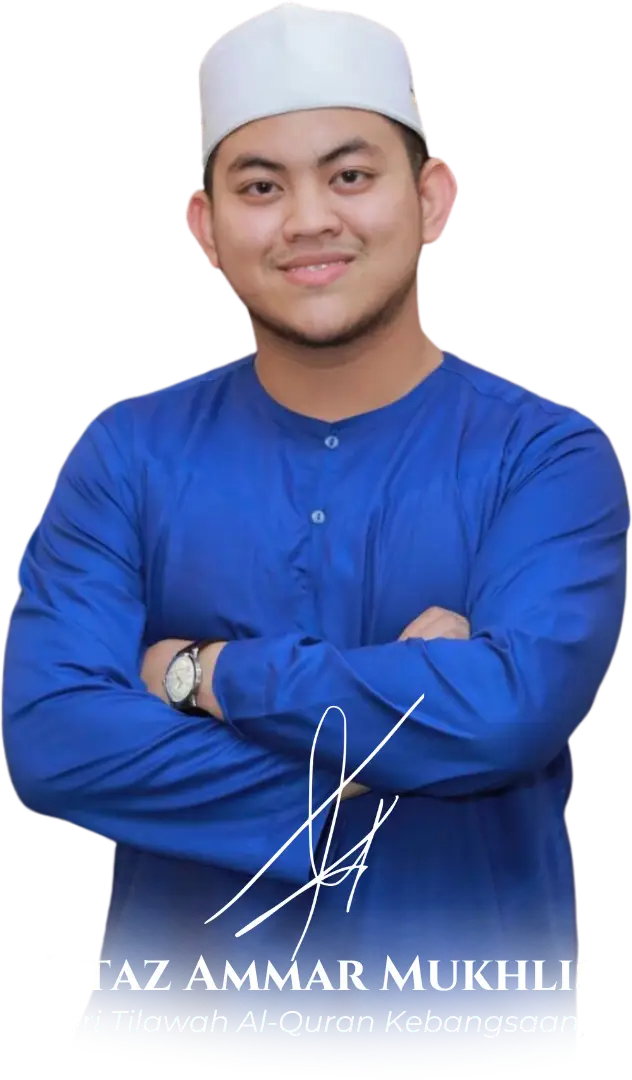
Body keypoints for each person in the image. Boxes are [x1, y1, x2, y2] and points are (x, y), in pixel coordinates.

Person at [3, 1, 629, 1073]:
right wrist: (387, 757)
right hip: (186, 1042)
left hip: (458, 1044)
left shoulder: (546, 455)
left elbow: (508, 716)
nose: (306, 219)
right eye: (260, 186)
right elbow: (54, 743)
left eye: (349, 175)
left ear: (432, 198)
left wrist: (198, 674)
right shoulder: (128, 452)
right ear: (203, 226)